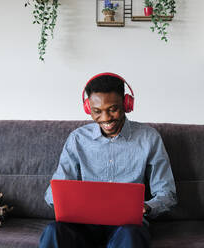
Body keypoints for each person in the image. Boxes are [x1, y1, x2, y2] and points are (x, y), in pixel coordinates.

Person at [39, 72, 177, 248]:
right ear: (88, 108)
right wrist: (63, 202)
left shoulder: (149, 138)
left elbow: (167, 193)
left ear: (127, 104)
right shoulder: (77, 139)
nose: (105, 118)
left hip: (127, 227)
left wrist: (147, 207)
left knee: (130, 235)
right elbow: (53, 191)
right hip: (83, 225)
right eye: (97, 111)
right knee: (53, 230)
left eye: (113, 109)